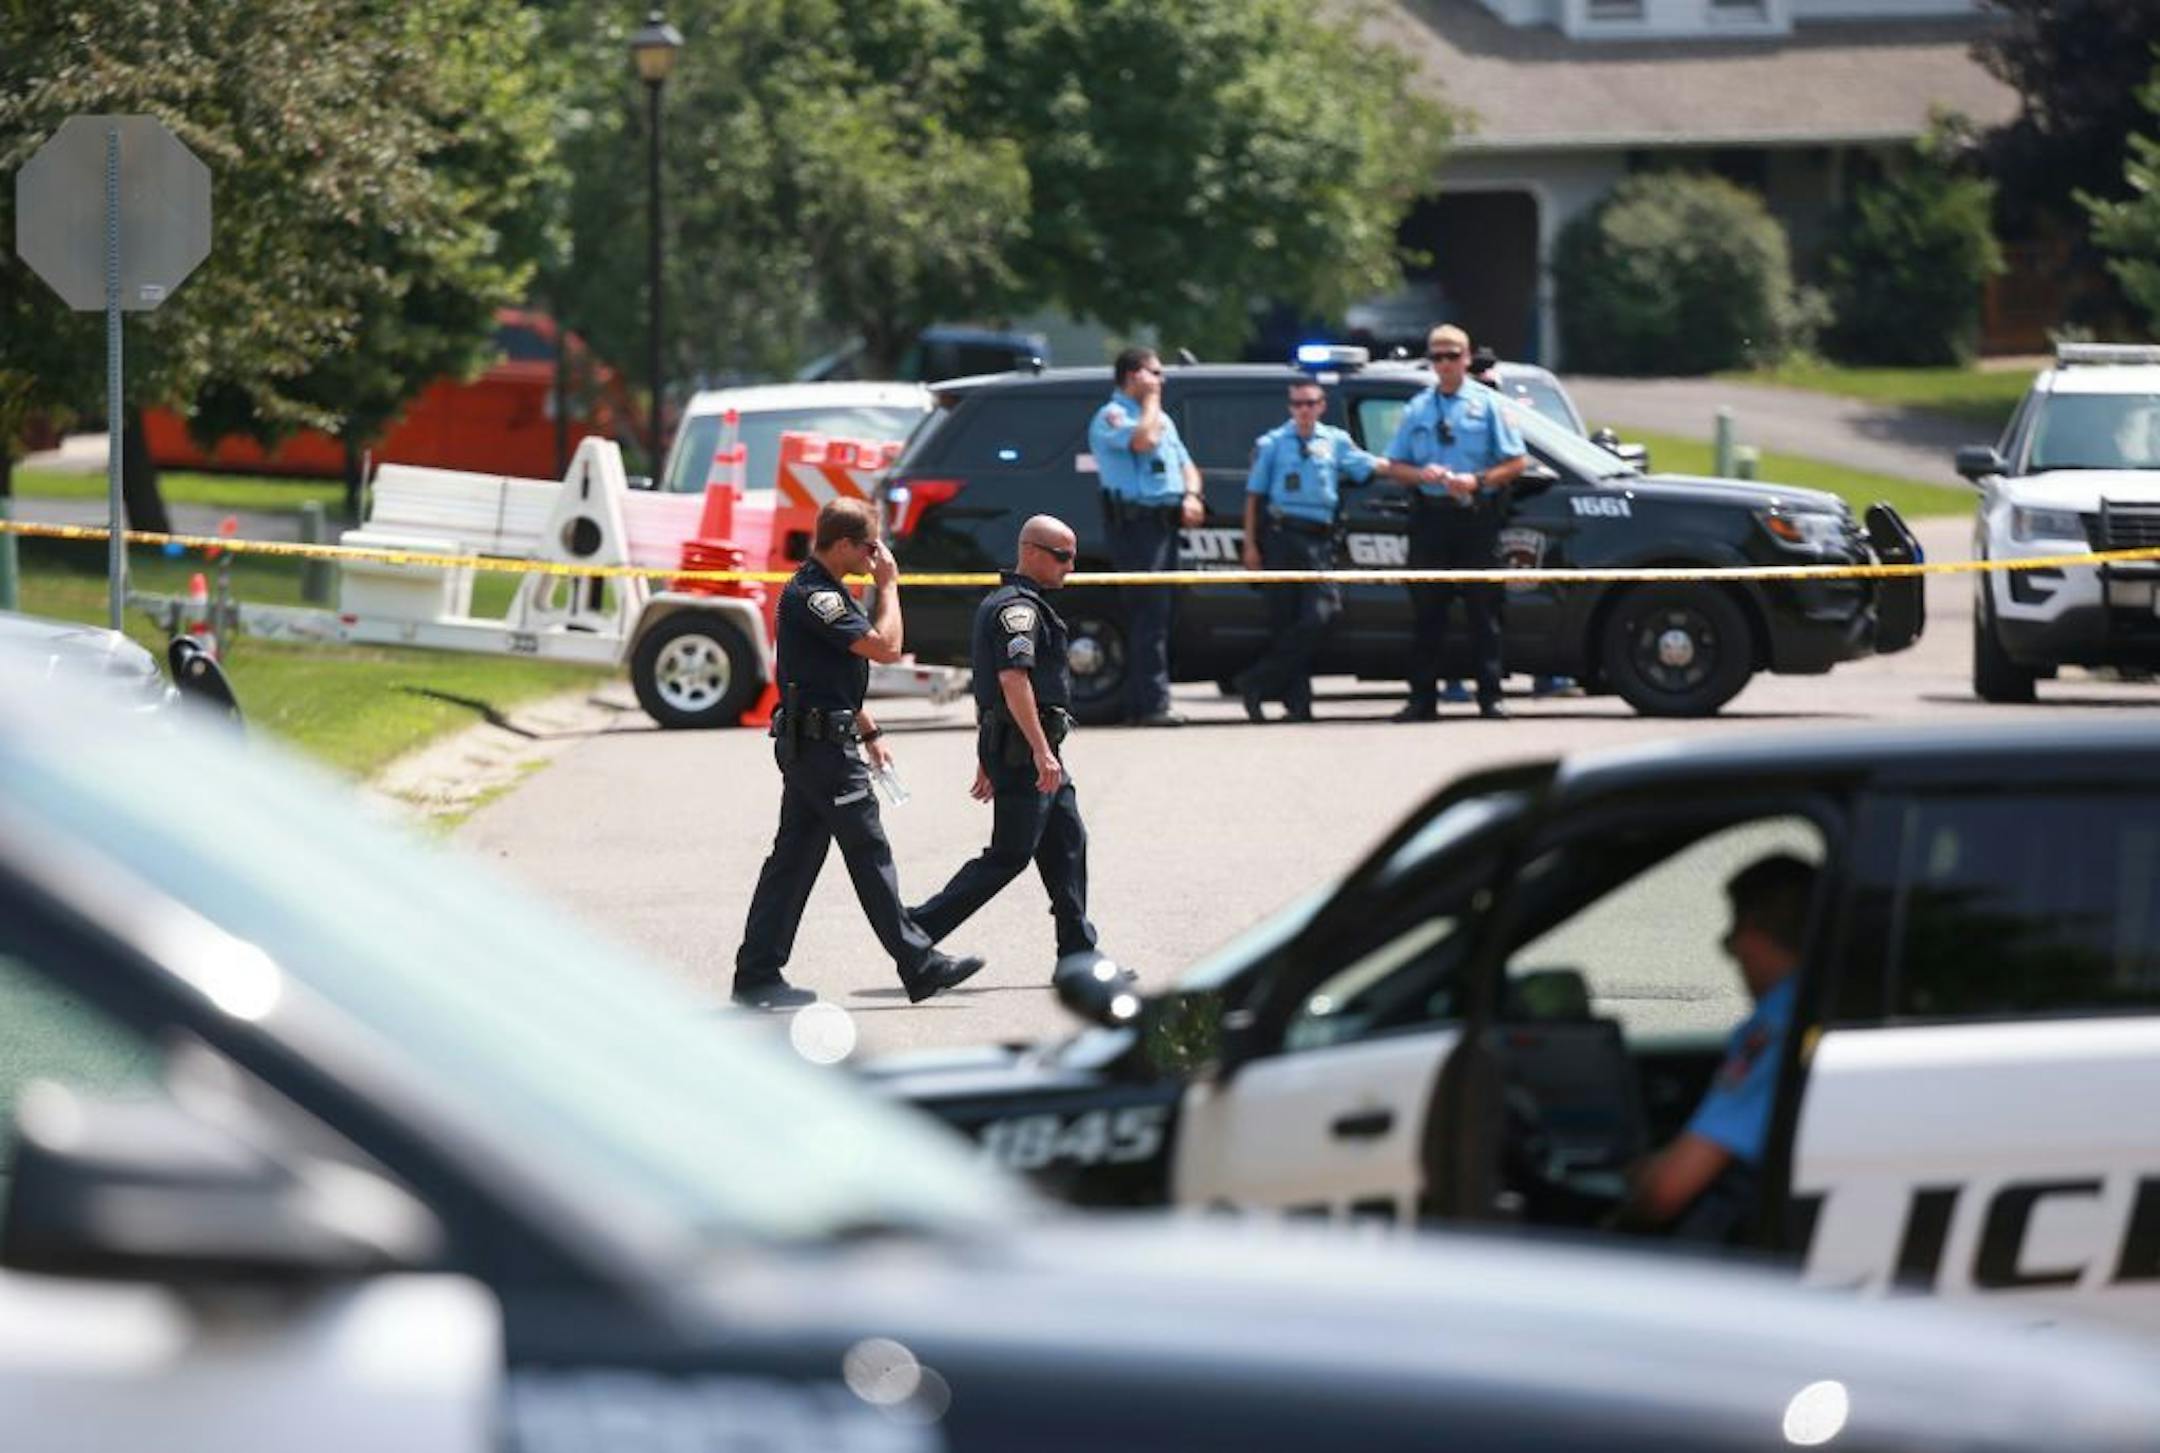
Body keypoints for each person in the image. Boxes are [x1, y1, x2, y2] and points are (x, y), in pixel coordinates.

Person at [731, 497, 985, 1010]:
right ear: (843, 544)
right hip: (822, 752)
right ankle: (920, 964)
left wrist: (867, 730)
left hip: (819, 740)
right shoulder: (818, 595)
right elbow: (886, 648)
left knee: (793, 862)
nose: (876, 555)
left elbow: (821, 677)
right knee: (869, 854)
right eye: (870, 546)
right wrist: (888, 587)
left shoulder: (822, 591)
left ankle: (756, 972)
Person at [910, 516, 1100, 961]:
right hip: (1026, 754)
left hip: (1031, 751)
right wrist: (1036, 751)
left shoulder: (1016, 602)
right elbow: (1011, 681)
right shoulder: (1018, 610)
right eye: (1062, 557)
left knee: (1068, 843)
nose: (1069, 567)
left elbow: (989, 693)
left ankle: (1078, 952)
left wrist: (991, 754)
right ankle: (917, 928)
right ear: (1031, 551)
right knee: (1010, 855)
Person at [1616, 853, 1817, 1238]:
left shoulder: (1780, 1028)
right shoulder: (1827, 1008)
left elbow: (1667, 1191)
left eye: (1732, 938)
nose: (1734, 954)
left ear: (1751, 936)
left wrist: (1633, 1186)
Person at [1376, 324, 1529, 721]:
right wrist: (1421, 474)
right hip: (1431, 520)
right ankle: (1423, 698)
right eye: (1437, 357)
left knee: (1485, 612)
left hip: (1476, 517)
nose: (1444, 364)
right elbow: (1394, 465)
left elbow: (1516, 462)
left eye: (1452, 356)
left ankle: (1491, 696)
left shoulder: (1489, 404)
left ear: (1466, 358)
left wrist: (1476, 481)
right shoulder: (1417, 409)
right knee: (1427, 612)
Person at [1233, 377, 1379, 722]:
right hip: (1282, 537)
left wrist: (1425, 473)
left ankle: (1256, 681)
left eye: (1310, 403)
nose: (1303, 410)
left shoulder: (1336, 442)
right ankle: (1298, 704)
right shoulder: (1272, 444)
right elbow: (1254, 496)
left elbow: (1370, 467)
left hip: (1320, 540)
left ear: (1321, 405)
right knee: (1286, 622)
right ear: (1290, 407)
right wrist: (1251, 546)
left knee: (1319, 615)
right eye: (1297, 404)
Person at [1088, 347, 1206, 727]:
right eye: (1155, 373)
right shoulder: (1112, 416)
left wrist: (1191, 495)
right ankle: (1151, 705)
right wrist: (1152, 399)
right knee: (1148, 616)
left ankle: (1144, 702)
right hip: (1135, 526)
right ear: (1133, 375)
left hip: (1164, 526)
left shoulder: (1162, 420)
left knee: (1161, 616)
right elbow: (1143, 442)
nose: (1162, 380)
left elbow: (1188, 466)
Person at [1463, 345, 1578, 702]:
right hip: (1472, 518)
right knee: (1468, 601)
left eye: (1491, 384)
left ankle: (1546, 673)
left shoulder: (1512, 413)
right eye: (1480, 382)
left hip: (1519, 515)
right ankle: (1455, 680)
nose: (1487, 391)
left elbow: (1533, 461)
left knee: (1533, 596)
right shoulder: (1461, 415)